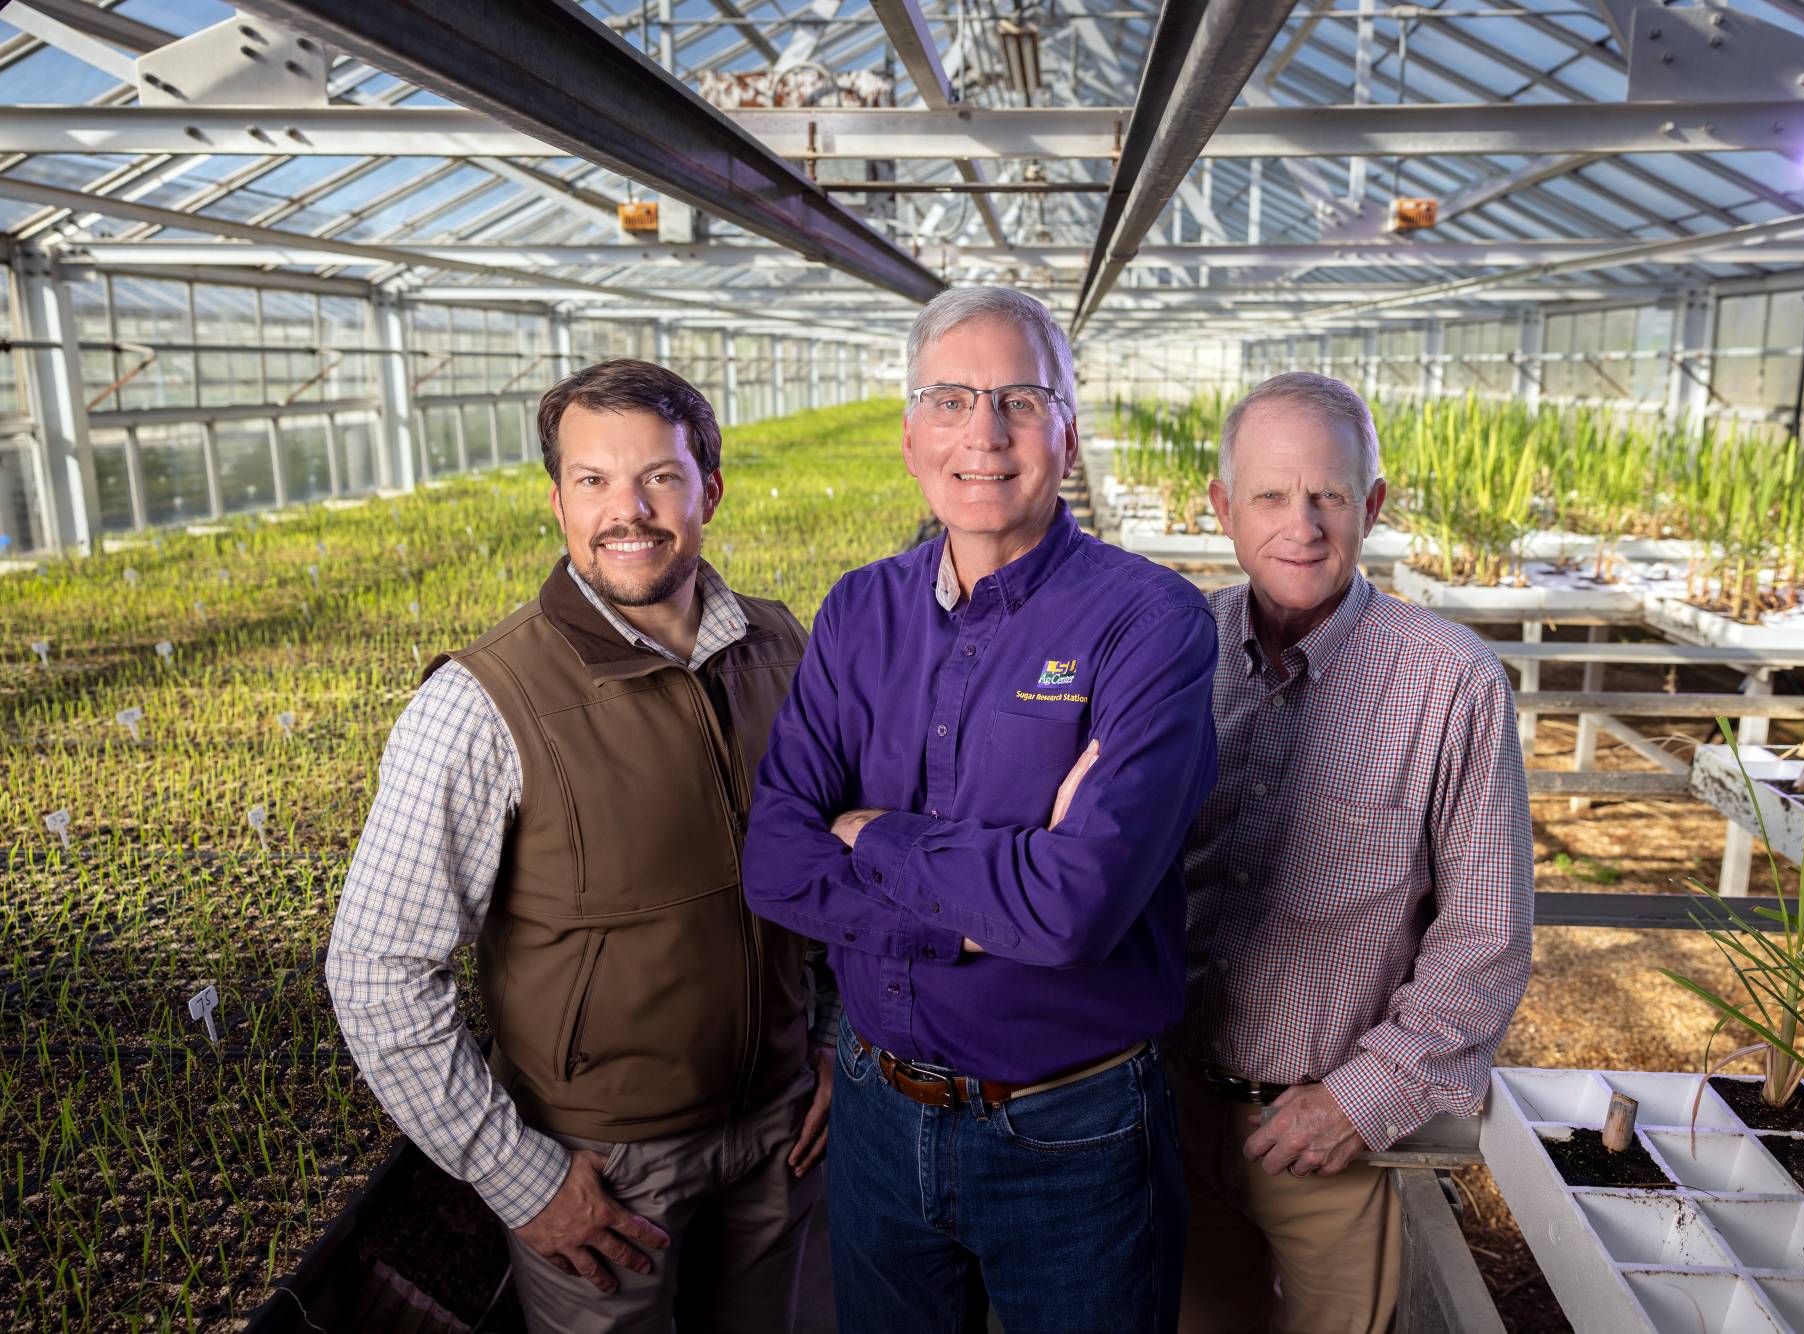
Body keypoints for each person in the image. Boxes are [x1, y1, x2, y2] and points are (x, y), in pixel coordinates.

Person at [742, 286, 1218, 1332]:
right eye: (950, 399)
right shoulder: (860, 606)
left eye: (1017, 398)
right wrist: (987, 898)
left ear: (1068, 434)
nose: (984, 433)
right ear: (911, 437)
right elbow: (775, 858)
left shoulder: (1149, 622)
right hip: (875, 1114)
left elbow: (1074, 908)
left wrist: (871, 832)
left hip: (1073, 1133)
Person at [328, 359, 837, 1334]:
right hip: (604, 1165)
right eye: (593, 480)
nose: (627, 510)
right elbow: (378, 970)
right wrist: (521, 1177)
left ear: (709, 489)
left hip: (781, 1128)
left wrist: (832, 1039)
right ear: (556, 499)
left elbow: (846, 865)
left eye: (657, 475)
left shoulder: (784, 648)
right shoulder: (481, 703)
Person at [1173, 372, 1534, 1334]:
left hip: (1329, 1131)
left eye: (1329, 495)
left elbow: (1486, 932)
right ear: (1221, 508)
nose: (1302, 524)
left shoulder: (1450, 681)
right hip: (1165, 1103)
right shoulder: (1174, 651)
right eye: (1270, 495)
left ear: (1371, 505)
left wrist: (1360, 1098)